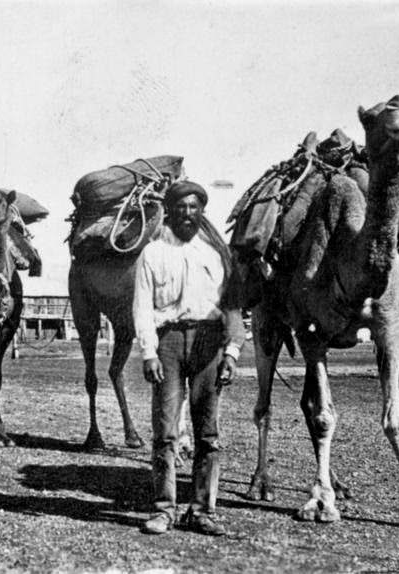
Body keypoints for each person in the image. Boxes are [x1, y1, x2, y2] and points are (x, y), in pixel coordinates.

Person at [132, 180, 245, 536]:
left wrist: (231, 352)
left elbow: (231, 309)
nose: (187, 213)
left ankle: (201, 511)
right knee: (165, 432)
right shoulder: (152, 253)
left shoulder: (215, 255)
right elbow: (142, 308)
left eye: (194, 207)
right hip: (167, 344)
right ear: (169, 210)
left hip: (209, 344)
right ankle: (164, 510)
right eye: (180, 207)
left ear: (201, 212)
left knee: (207, 433)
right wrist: (148, 352)